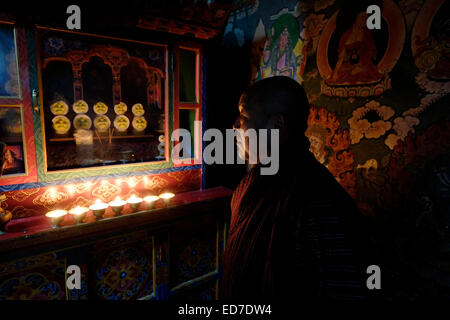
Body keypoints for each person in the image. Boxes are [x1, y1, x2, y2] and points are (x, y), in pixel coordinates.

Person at [222, 76, 373, 300]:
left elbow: (338, 288)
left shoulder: (313, 196)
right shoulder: (253, 181)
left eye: (244, 116)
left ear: (277, 124)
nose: (235, 125)